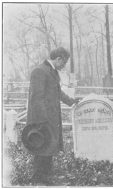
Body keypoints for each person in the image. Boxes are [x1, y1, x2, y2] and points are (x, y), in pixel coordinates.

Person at [26, 47, 79, 185]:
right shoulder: (39, 71)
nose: (64, 66)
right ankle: (38, 179)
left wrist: (71, 101)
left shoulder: (52, 72)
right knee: (41, 147)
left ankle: (46, 177)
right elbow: (36, 98)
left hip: (51, 118)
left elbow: (58, 92)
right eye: (64, 62)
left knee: (48, 147)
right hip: (41, 119)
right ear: (58, 58)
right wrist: (42, 121)